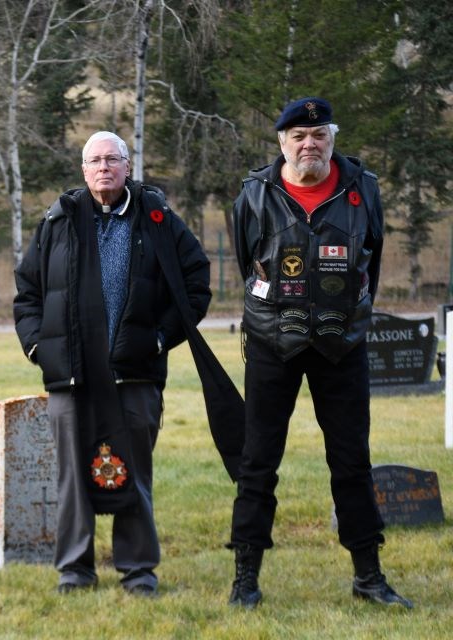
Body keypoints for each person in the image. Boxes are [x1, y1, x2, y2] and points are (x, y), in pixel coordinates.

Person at [228, 97, 412, 610]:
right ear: (282, 142)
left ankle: (369, 576)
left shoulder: (364, 189)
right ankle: (245, 577)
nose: (310, 144)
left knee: (352, 461)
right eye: (298, 136)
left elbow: (370, 266)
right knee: (258, 462)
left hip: (342, 344)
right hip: (272, 342)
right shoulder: (254, 193)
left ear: (332, 138)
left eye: (319, 135)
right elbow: (249, 260)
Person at [13, 131, 211, 596]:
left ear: (127, 166)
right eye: (94, 160)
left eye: (112, 159)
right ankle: (74, 570)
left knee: (135, 472)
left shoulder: (157, 219)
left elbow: (196, 284)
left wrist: (161, 337)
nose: (103, 168)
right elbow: (27, 294)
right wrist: (39, 348)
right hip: (72, 375)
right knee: (71, 476)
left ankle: (138, 569)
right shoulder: (58, 221)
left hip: (135, 373)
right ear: (83, 170)